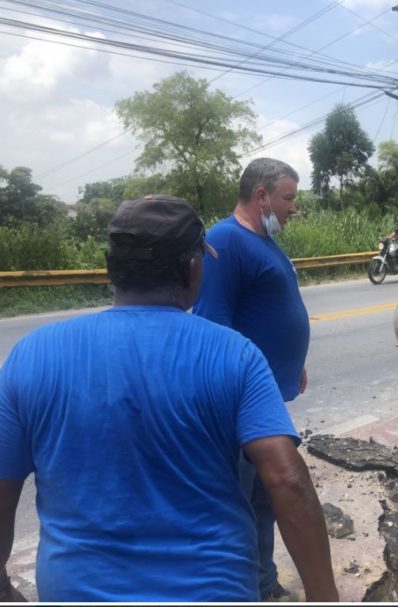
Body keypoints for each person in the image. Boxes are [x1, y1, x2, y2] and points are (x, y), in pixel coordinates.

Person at [0, 195, 337, 602]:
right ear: (192, 268)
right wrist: (324, 597)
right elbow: (287, 480)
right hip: (213, 590)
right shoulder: (235, 355)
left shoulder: (32, 354)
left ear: (111, 269)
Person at [193, 158, 308, 601]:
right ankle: (240, 587)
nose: (293, 207)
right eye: (288, 198)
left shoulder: (264, 240)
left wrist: (294, 360)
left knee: (263, 499)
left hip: (267, 398)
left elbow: (269, 310)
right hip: (241, 405)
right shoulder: (225, 240)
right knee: (241, 500)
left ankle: (262, 580)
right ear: (262, 196)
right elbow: (213, 325)